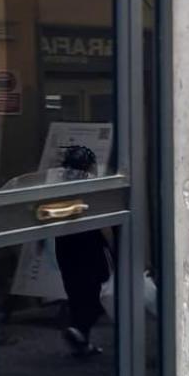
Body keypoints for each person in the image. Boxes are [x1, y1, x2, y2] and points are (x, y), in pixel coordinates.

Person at [53, 145, 114, 357]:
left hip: (64, 243)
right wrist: (114, 247)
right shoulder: (92, 186)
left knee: (76, 290)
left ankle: (81, 337)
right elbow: (103, 221)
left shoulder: (59, 186)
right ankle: (79, 329)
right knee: (97, 290)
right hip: (89, 243)